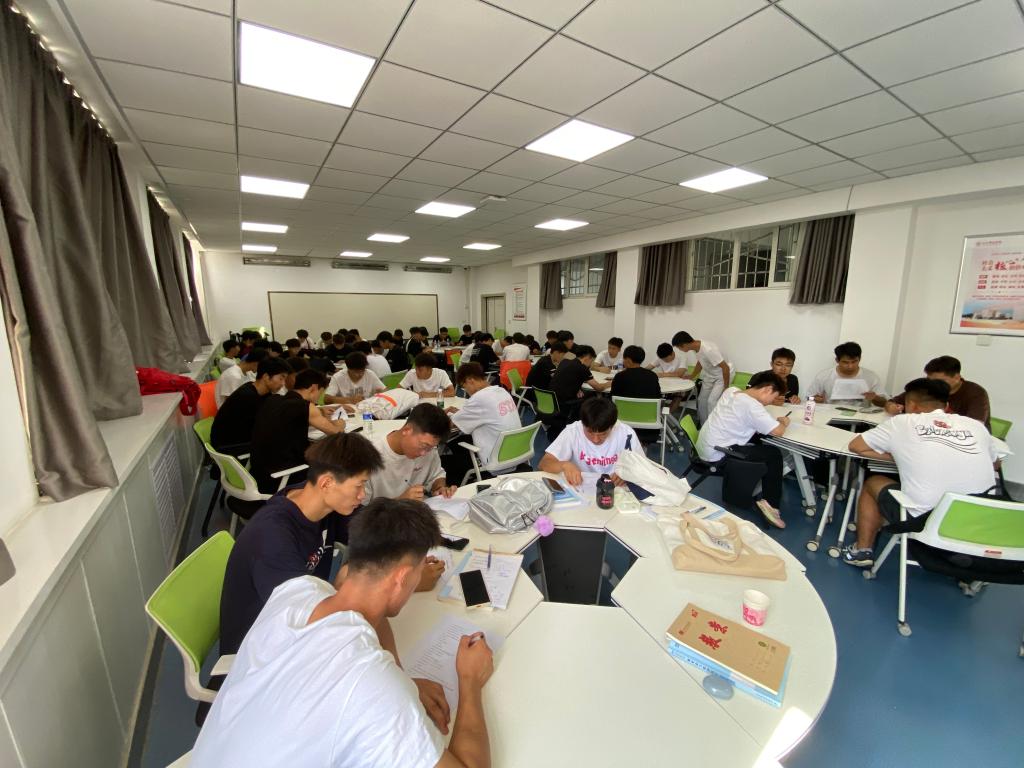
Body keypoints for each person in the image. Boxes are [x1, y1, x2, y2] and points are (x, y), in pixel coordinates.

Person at [190, 496, 495, 768]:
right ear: (402, 577)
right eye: (417, 571)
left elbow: (352, 593)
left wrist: (403, 680)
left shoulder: (297, 591)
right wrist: (470, 681)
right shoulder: (373, 688)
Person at [217, 432, 384, 656]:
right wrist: (372, 583)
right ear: (327, 483)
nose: (362, 495)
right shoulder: (272, 538)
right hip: (261, 651)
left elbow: (374, 530)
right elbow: (307, 620)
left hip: (301, 618)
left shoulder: (319, 500)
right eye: (359, 486)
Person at [841, 378, 1003, 566]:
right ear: (947, 406)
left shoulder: (902, 422)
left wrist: (900, 456)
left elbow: (856, 446)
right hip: (981, 521)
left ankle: (862, 551)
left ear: (911, 404)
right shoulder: (975, 426)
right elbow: (996, 464)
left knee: (873, 482)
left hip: (927, 520)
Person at [696, 371, 791, 528]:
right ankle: (771, 506)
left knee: (757, 441)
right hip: (719, 455)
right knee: (773, 454)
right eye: (774, 397)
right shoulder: (752, 406)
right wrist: (784, 422)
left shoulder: (732, 391)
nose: (771, 402)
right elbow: (778, 431)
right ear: (767, 389)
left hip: (706, 447)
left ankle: (751, 486)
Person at [249, 369, 344, 493]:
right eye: (320, 392)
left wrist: (320, 412)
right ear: (314, 388)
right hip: (281, 476)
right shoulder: (305, 406)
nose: (319, 397)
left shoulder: (273, 400)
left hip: (257, 472)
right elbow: (336, 432)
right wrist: (340, 423)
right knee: (334, 463)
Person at [442, 363, 522, 483]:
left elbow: (450, 424)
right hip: (515, 453)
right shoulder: (501, 391)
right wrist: (465, 414)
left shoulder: (479, 398)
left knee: (445, 458)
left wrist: (441, 415)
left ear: (470, 380)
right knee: (459, 441)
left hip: (495, 460)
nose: (466, 391)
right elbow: (487, 414)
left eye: (464, 387)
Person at [539, 397, 641, 487]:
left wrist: (627, 473)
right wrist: (564, 465)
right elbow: (544, 463)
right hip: (582, 488)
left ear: (612, 426)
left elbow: (642, 466)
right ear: (582, 424)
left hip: (616, 489)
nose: (595, 440)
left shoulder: (626, 433)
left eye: (603, 434)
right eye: (590, 432)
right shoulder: (573, 431)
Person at [885, 355, 991, 430]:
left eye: (939, 381)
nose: (933, 384)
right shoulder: (927, 386)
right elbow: (891, 402)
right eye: (929, 379)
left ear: (957, 377)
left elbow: (975, 426)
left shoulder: (976, 393)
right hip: (927, 433)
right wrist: (891, 407)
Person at [210, 357, 290, 455]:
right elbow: (262, 428)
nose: (283, 384)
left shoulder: (257, 389)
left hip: (238, 440)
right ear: (266, 377)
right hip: (229, 446)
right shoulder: (247, 397)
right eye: (281, 378)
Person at [547, 345, 609, 438]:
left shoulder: (565, 362)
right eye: (591, 360)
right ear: (587, 357)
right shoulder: (582, 368)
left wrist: (578, 388)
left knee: (585, 393)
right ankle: (590, 423)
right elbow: (599, 388)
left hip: (551, 399)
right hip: (564, 403)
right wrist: (610, 383)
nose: (591, 363)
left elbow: (564, 378)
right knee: (593, 395)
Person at [673, 331, 731, 424]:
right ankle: (703, 425)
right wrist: (692, 376)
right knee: (701, 400)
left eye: (679, 348)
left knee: (711, 401)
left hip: (721, 375)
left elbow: (725, 368)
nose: (680, 350)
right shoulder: (696, 348)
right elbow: (700, 362)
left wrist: (726, 388)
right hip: (710, 374)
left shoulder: (708, 349)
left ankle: (713, 427)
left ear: (684, 345)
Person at [808, 341, 885, 406]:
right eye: (845, 362)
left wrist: (875, 397)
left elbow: (885, 402)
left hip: (861, 415)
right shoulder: (824, 376)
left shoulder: (871, 377)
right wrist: (815, 399)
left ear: (860, 359)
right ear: (837, 360)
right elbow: (809, 397)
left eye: (854, 362)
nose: (850, 366)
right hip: (830, 413)